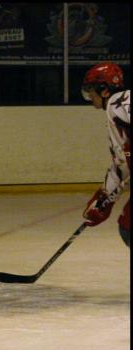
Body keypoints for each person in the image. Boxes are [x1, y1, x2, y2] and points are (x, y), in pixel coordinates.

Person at [80, 62, 130, 247]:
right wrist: (104, 199)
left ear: (104, 90)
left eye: (91, 89)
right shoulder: (119, 107)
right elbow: (122, 164)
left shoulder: (118, 104)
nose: (90, 95)